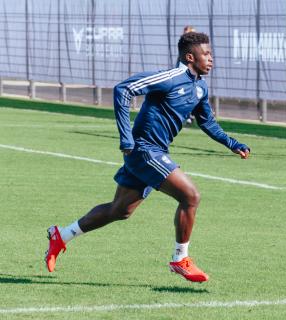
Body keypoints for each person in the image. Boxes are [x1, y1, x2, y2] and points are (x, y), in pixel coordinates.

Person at [44, 32, 250, 283]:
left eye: (210, 54)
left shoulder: (200, 88)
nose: (211, 59)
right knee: (191, 196)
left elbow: (208, 123)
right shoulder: (171, 77)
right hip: (143, 149)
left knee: (119, 210)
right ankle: (180, 259)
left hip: (154, 152)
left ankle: (61, 236)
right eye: (206, 54)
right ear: (189, 57)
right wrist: (126, 138)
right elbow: (123, 89)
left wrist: (232, 144)